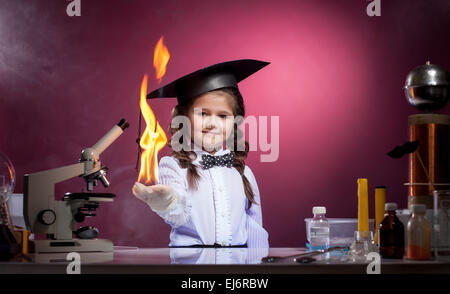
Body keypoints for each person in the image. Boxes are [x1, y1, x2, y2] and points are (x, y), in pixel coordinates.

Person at [132, 59, 270, 248]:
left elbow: (254, 227)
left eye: (223, 116)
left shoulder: (243, 172)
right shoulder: (173, 166)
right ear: (182, 119)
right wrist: (167, 201)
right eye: (203, 113)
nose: (212, 123)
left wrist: (258, 267)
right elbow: (178, 215)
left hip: (236, 264)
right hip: (190, 263)